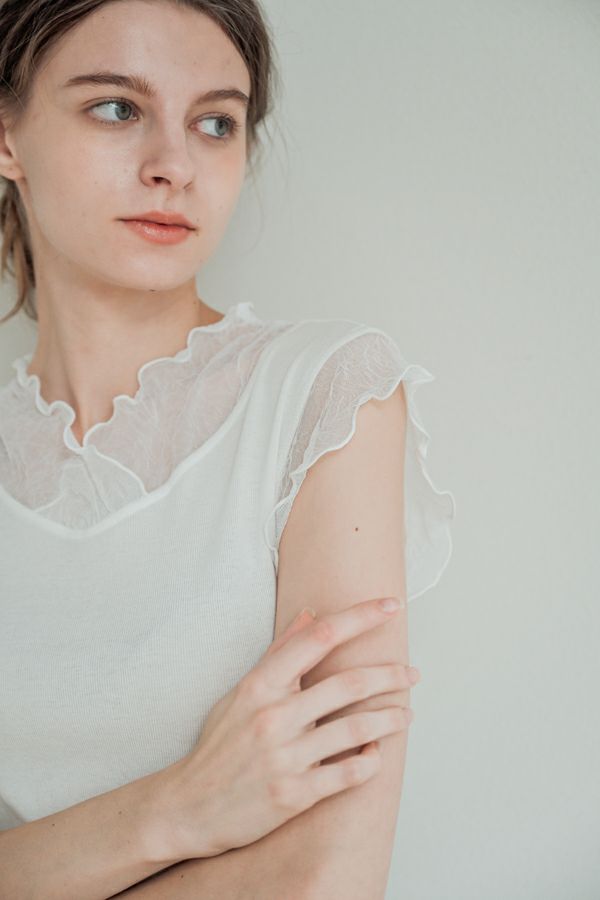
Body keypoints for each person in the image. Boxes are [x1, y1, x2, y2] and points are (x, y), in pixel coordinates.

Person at [0, 1, 456, 896]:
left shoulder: (327, 393)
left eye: (215, 122)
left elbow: (326, 877)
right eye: (116, 108)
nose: (174, 166)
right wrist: (181, 807)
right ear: (8, 138)